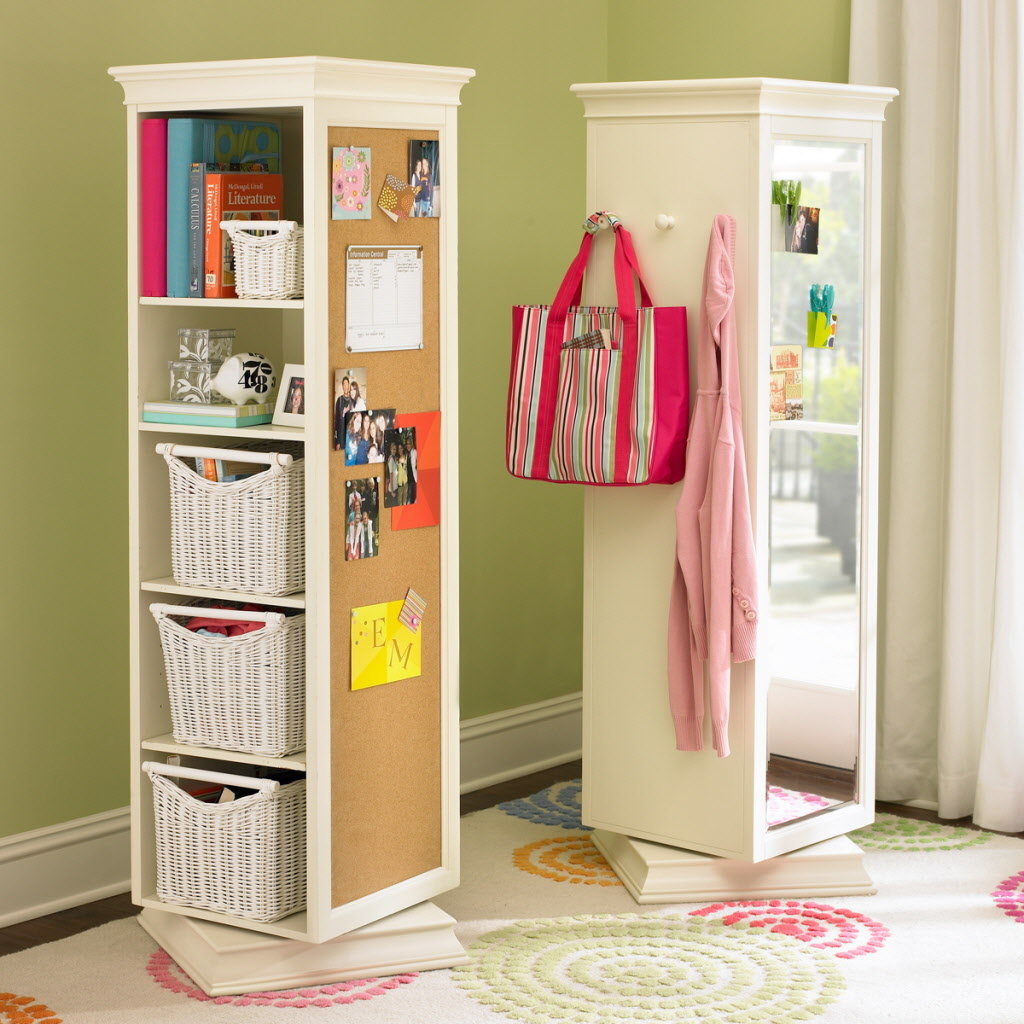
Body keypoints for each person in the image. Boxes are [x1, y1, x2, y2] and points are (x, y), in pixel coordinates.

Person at [334, 376, 352, 450]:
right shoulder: (339, 400)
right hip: (341, 438)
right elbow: (336, 422)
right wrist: (337, 441)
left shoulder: (353, 400)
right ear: (342, 386)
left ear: (349, 385)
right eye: (343, 384)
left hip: (350, 438)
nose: (345, 386)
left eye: (346, 384)